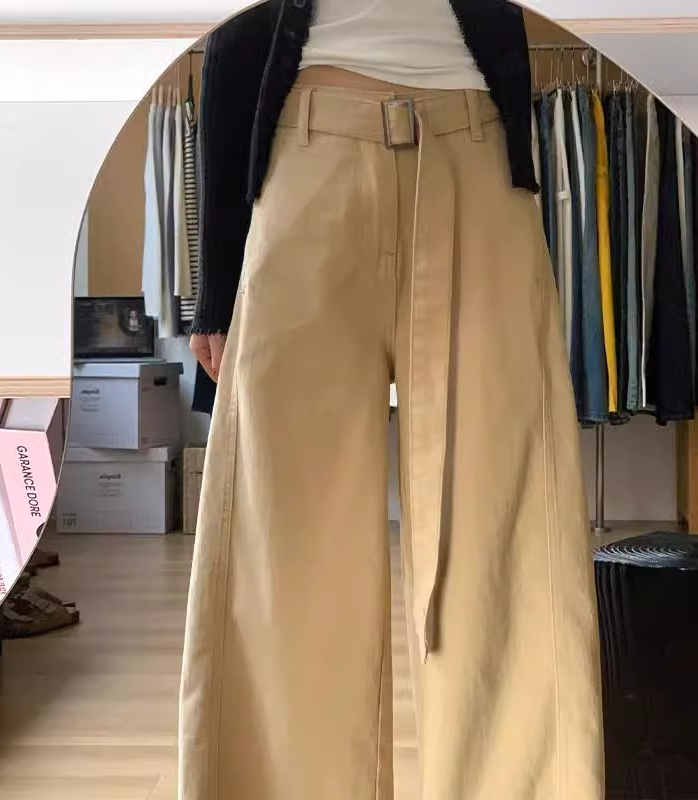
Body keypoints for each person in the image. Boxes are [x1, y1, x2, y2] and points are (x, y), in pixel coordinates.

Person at [180, 2, 603, 798]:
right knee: (287, 540)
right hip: (305, 154)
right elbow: (233, 36)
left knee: (503, 532)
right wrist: (217, 284)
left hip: (476, 148)